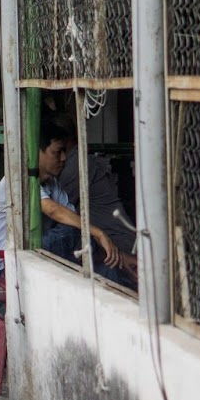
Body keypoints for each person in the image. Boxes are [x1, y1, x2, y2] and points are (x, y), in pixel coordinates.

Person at [36, 122, 136, 287]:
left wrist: (119, 258)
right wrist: (100, 233)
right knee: (73, 231)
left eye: (64, 151)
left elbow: (75, 217)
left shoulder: (53, 184)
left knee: (108, 271)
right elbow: (53, 211)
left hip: (47, 249)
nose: (63, 158)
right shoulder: (23, 179)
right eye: (57, 152)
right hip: (10, 258)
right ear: (38, 152)